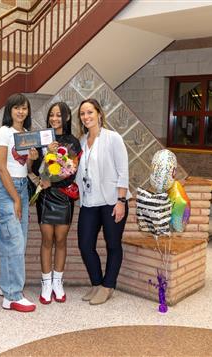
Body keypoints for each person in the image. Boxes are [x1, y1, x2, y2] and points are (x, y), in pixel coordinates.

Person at [75, 98, 131, 305]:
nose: (86, 116)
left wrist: (121, 200)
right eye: (82, 114)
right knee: (85, 245)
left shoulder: (113, 138)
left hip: (111, 201)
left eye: (90, 112)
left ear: (99, 114)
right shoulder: (81, 141)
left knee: (113, 244)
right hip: (89, 202)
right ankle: (97, 283)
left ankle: (108, 286)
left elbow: (123, 170)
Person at [29, 102, 81, 304]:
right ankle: (46, 283)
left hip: (64, 196)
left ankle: (58, 282)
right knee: (46, 240)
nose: (55, 119)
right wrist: (40, 156)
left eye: (59, 115)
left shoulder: (73, 142)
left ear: (66, 118)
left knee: (60, 240)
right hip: (46, 195)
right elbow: (34, 171)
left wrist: (53, 179)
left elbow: (71, 171)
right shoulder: (43, 139)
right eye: (52, 115)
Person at [0, 93, 38, 312]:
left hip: (21, 187)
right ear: (9, 110)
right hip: (6, 190)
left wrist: (32, 159)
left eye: (24, 108)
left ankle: (6, 285)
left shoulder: (27, 134)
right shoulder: (3, 132)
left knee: (13, 241)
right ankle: (12, 296)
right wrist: (16, 198)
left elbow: (24, 168)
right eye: (17, 108)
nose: (21, 112)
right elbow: (1, 167)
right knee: (15, 242)